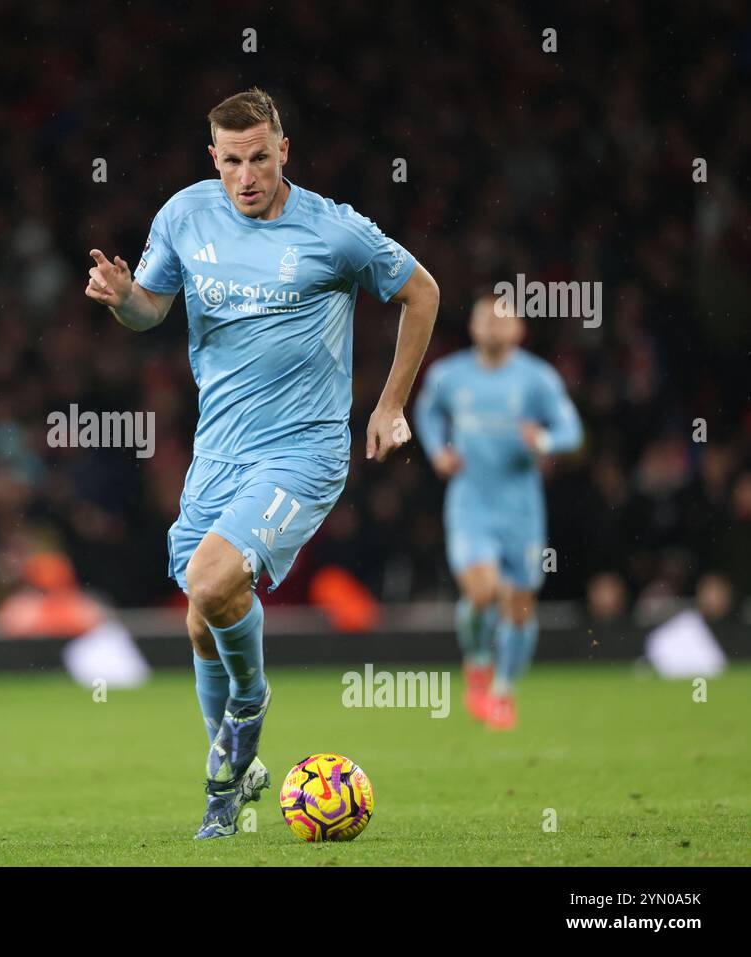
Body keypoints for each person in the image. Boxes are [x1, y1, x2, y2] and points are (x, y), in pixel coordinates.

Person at [85, 89, 439, 838]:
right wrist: (122, 299)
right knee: (198, 618)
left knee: (216, 582)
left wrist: (390, 404)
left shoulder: (333, 230)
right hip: (218, 454)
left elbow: (421, 290)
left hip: (302, 450)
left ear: (285, 151)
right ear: (213, 157)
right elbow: (152, 308)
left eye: (260, 157)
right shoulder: (185, 215)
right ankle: (237, 776)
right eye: (232, 160)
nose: (246, 176)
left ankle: (248, 712)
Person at [414, 292, 583, 730]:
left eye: (502, 318)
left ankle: (504, 692)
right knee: (483, 592)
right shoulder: (449, 375)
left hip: (521, 510)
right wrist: (438, 452)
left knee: (520, 606)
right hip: (471, 503)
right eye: (485, 318)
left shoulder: (536, 379)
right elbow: (427, 414)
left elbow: (571, 430)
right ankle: (478, 659)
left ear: (518, 329)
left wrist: (542, 441)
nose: (493, 325)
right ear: (472, 327)